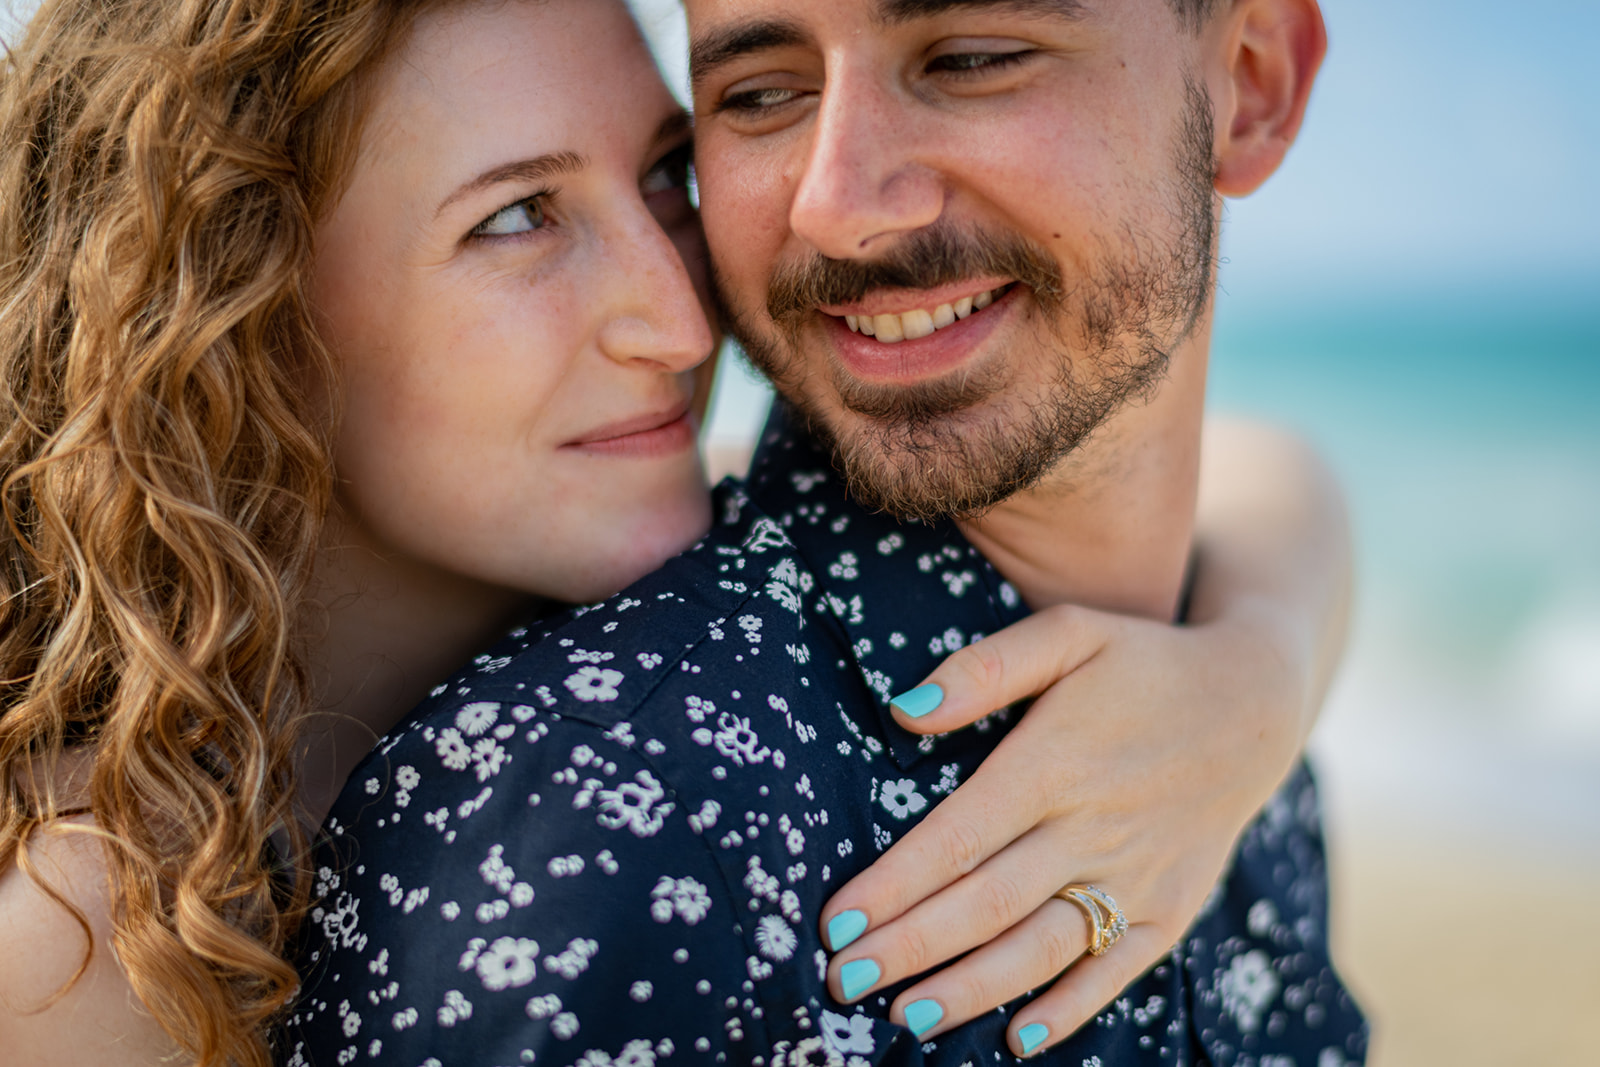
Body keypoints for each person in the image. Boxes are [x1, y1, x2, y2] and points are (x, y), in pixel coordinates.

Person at [0, 0, 1346, 1064]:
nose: (687, 319)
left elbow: (1253, 472)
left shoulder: (657, 545)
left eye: (663, 177)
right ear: (239, 330)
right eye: (518, 218)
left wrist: (1257, 672)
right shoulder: (76, 932)